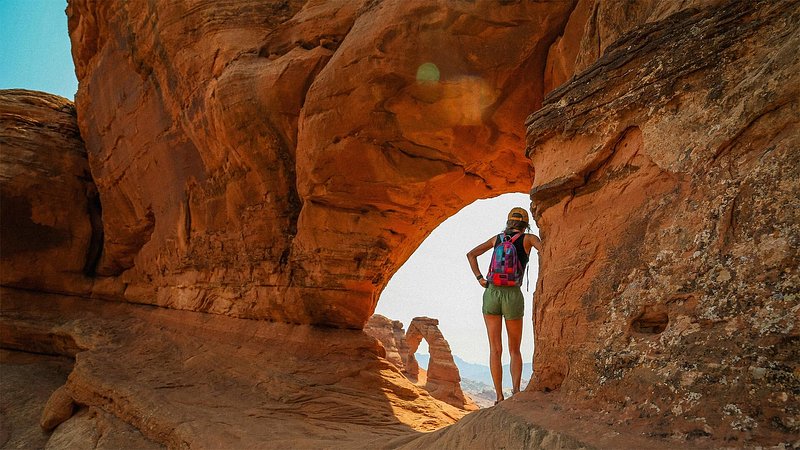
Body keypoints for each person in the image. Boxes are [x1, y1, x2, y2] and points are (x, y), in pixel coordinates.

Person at [466, 206, 542, 405]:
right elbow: (548, 252)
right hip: (512, 295)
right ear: (526, 224)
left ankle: (499, 396)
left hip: (491, 293)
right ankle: (516, 391)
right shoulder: (529, 239)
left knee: (495, 348)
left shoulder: (497, 239)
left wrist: (480, 279)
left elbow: (471, 254)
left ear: (508, 222)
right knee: (514, 349)